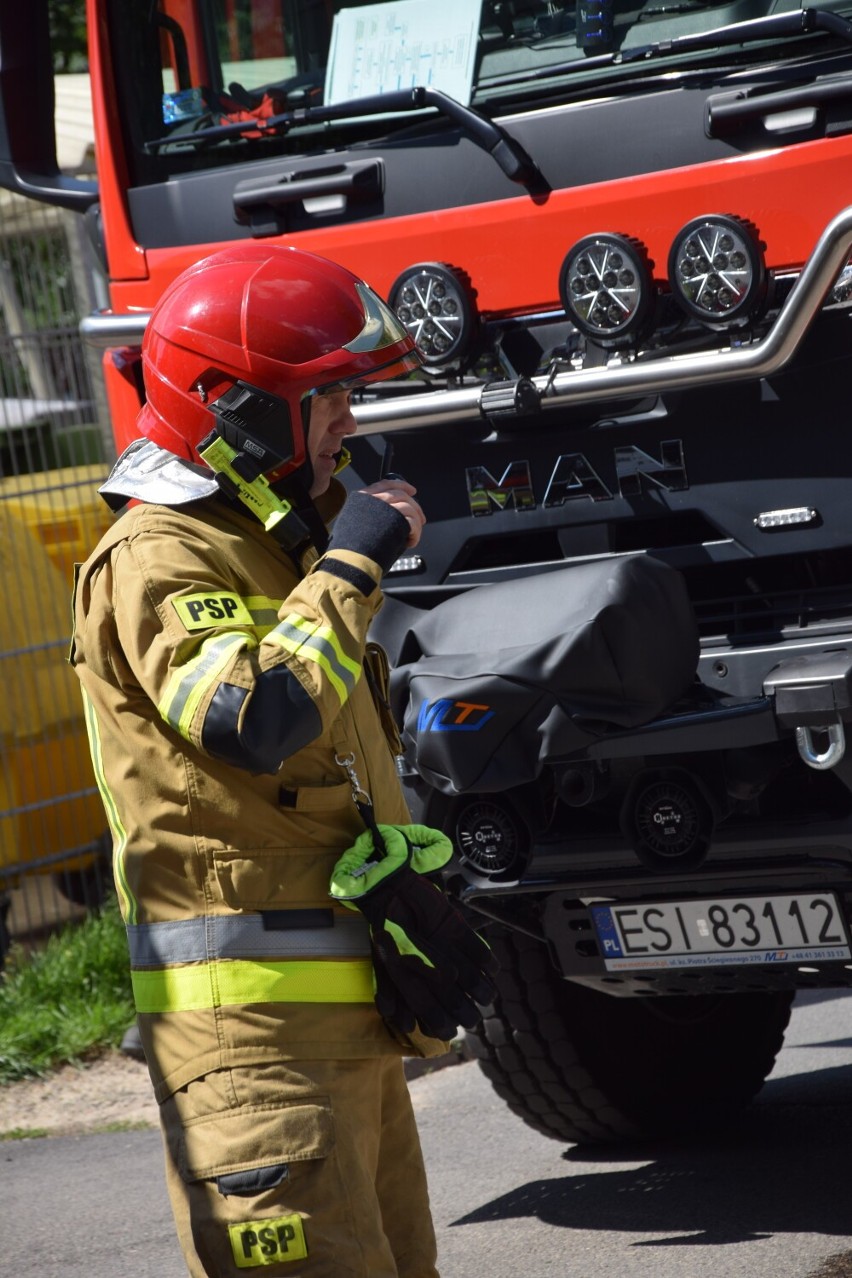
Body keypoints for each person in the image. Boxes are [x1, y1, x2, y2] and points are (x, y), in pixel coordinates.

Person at [70, 244, 496, 1277]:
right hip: (253, 1059)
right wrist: (350, 562)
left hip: (346, 1033)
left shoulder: (265, 547)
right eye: (327, 398)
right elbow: (250, 717)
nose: (350, 421)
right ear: (240, 412)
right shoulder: (161, 557)